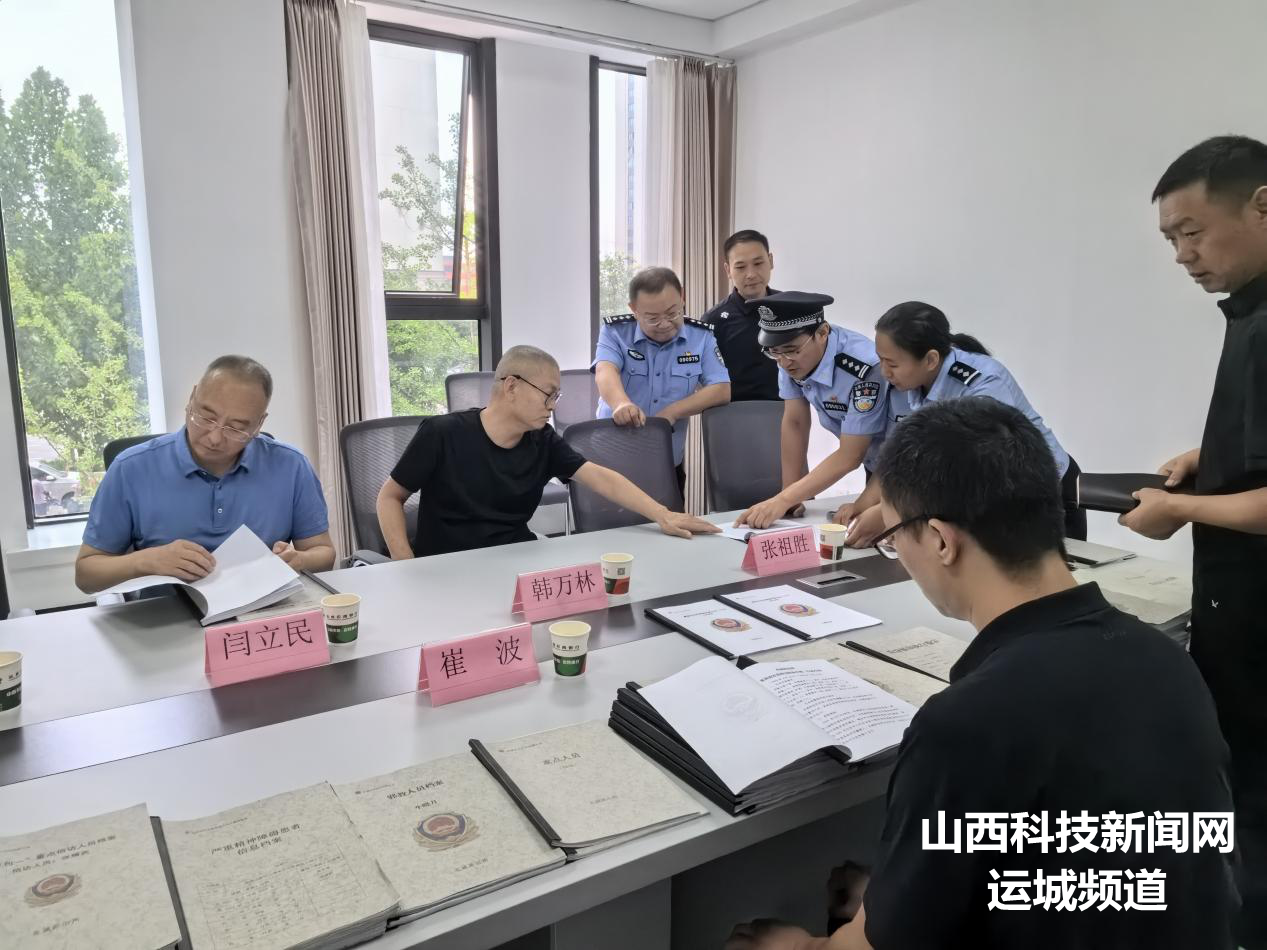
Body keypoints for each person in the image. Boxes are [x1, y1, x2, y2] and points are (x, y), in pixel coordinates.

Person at [727, 398, 1237, 950]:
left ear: (941, 540)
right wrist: (895, 895)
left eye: (895, 538)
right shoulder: (1165, 659)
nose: (901, 553)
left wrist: (800, 945)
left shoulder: (969, 722)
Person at [1121, 134, 1267, 948]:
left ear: (1261, 206)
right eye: (1170, 239)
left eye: (1191, 231)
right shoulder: (1248, 312)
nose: (1181, 254)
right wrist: (1205, 460)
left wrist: (1180, 508)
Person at [378, 344, 719, 557]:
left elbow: (601, 478)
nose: (553, 406)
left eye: (557, 396)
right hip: (445, 567)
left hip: (513, 562)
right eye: (549, 394)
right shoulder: (442, 433)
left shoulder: (542, 440)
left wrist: (663, 514)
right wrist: (405, 563)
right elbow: (390, 497)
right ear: (511, 386)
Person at [75, 355, 334, 594]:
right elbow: (86, 575)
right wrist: (146, 560)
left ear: (259, 425)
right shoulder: (131, 468)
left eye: (236, 428)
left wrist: (298, 560)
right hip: (167, 616)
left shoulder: (290, 466)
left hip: (259, 614)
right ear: (192, 398)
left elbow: (323, 553)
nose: (215, 437)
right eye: (206, 418)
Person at [838, 301, 1086, 545]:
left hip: (1041, 493)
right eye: (881, 360)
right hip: (992, 495)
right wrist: (863, 506)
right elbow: (904, 457)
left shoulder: (983, 388)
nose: (884, 372)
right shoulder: (913, 383)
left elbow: (969, 472)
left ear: (931, 360)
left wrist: (891, 513)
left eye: (892, 364)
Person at [735, 292, 890, 529]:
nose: (783, 361)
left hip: (903, 465)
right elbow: (795, 423)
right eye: (774, 352)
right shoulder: (788, 358)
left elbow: (851, 455)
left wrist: (783, 500)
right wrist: (789, 496)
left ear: (822, 332)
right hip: (876, 465)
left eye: (791, 350)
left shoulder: (864, 367)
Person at [593, 266, 730, 477]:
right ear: (634, 309)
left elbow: (721, 389)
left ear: (682, 297)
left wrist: (673, 412)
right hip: (612, 456)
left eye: (672, 313)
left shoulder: (701, 337)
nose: (665, 324)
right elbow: (605, 370)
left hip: (666, 459)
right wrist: (621, 404)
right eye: (652, 318)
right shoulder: (615, 332)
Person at [701, 229, 782, 402]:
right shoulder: (713, 320)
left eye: (758, 263)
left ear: (770, 261)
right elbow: (705, 380)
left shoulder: (791, 307)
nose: (751, 274)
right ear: (728, 270)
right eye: (740, 267)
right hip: (731, 410)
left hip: (787, 408)